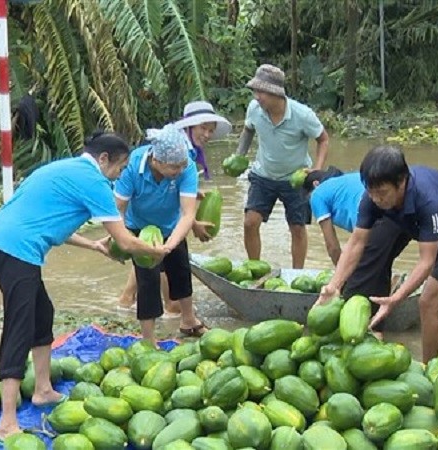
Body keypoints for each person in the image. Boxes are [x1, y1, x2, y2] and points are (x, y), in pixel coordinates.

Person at [0, 131, 167, 442]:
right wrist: (156, 251)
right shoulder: (94, 181)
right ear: (104, 159)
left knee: (42, 313)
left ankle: (43, 390)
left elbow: (52, 223)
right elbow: (124, 241)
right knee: (19, 326)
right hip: (16, 248)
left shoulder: (66, 169)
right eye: (120, 168)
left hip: (5, 240)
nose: (119, 175)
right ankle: (7, 422)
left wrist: (93, 245)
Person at [315, 145, 438, 362]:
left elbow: (426, 261)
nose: (376, 199)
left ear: (402, 182)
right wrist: (334, 286)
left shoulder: (429, 200)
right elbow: (356, 243)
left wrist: (396, 298)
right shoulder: (374, 197)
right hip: (417, 223)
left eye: (382, 193)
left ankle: (428, 368)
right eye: (371, 191)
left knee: (428, 301)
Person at [116, 101, 232, 316]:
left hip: (166, 219)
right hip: (144, 217)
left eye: (211, 130)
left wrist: (189, 202)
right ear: (189, 126)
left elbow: (181, 195)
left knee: (163, 263)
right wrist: (122, 237)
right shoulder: (171, 148)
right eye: (203, 128)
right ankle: (154, 304)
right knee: (152, 265)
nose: (207, 135)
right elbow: (120, 205)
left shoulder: (189, 155)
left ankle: (131, 302)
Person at [113, 124, 209, 343]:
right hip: (140, 228)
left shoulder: (186, 167)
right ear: (156, 160)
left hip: (172, 226)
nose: (180, 171)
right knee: (147, 280)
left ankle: (188, 321)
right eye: (174, 167)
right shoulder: (132, 167)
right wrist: (126, 240)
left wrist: (169, 246)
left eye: (182, 165)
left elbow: (188, 214)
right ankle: (149, 338)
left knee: (181, 271)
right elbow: (118, 210)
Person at [235, 64, 329, 269]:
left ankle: (297, 273)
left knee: (297, 228)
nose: (257, 97)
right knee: (250, 223)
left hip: (296, 178)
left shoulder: (302, 114)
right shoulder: (254, 109)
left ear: (275, 93)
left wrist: (317, 169)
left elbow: (323, 139)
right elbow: (248, 130)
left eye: (261, 92)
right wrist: (238, 156)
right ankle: (254, 269)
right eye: (255, 91)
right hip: (263, 175)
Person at [304, 167, 410, 299]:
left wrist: (342, 277)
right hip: (402, 213)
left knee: (354, 287)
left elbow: (332, 246)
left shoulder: (317, 194)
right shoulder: (345, 180)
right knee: (379, 265)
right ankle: (381, 305)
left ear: (315, 184)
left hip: (379, 221)